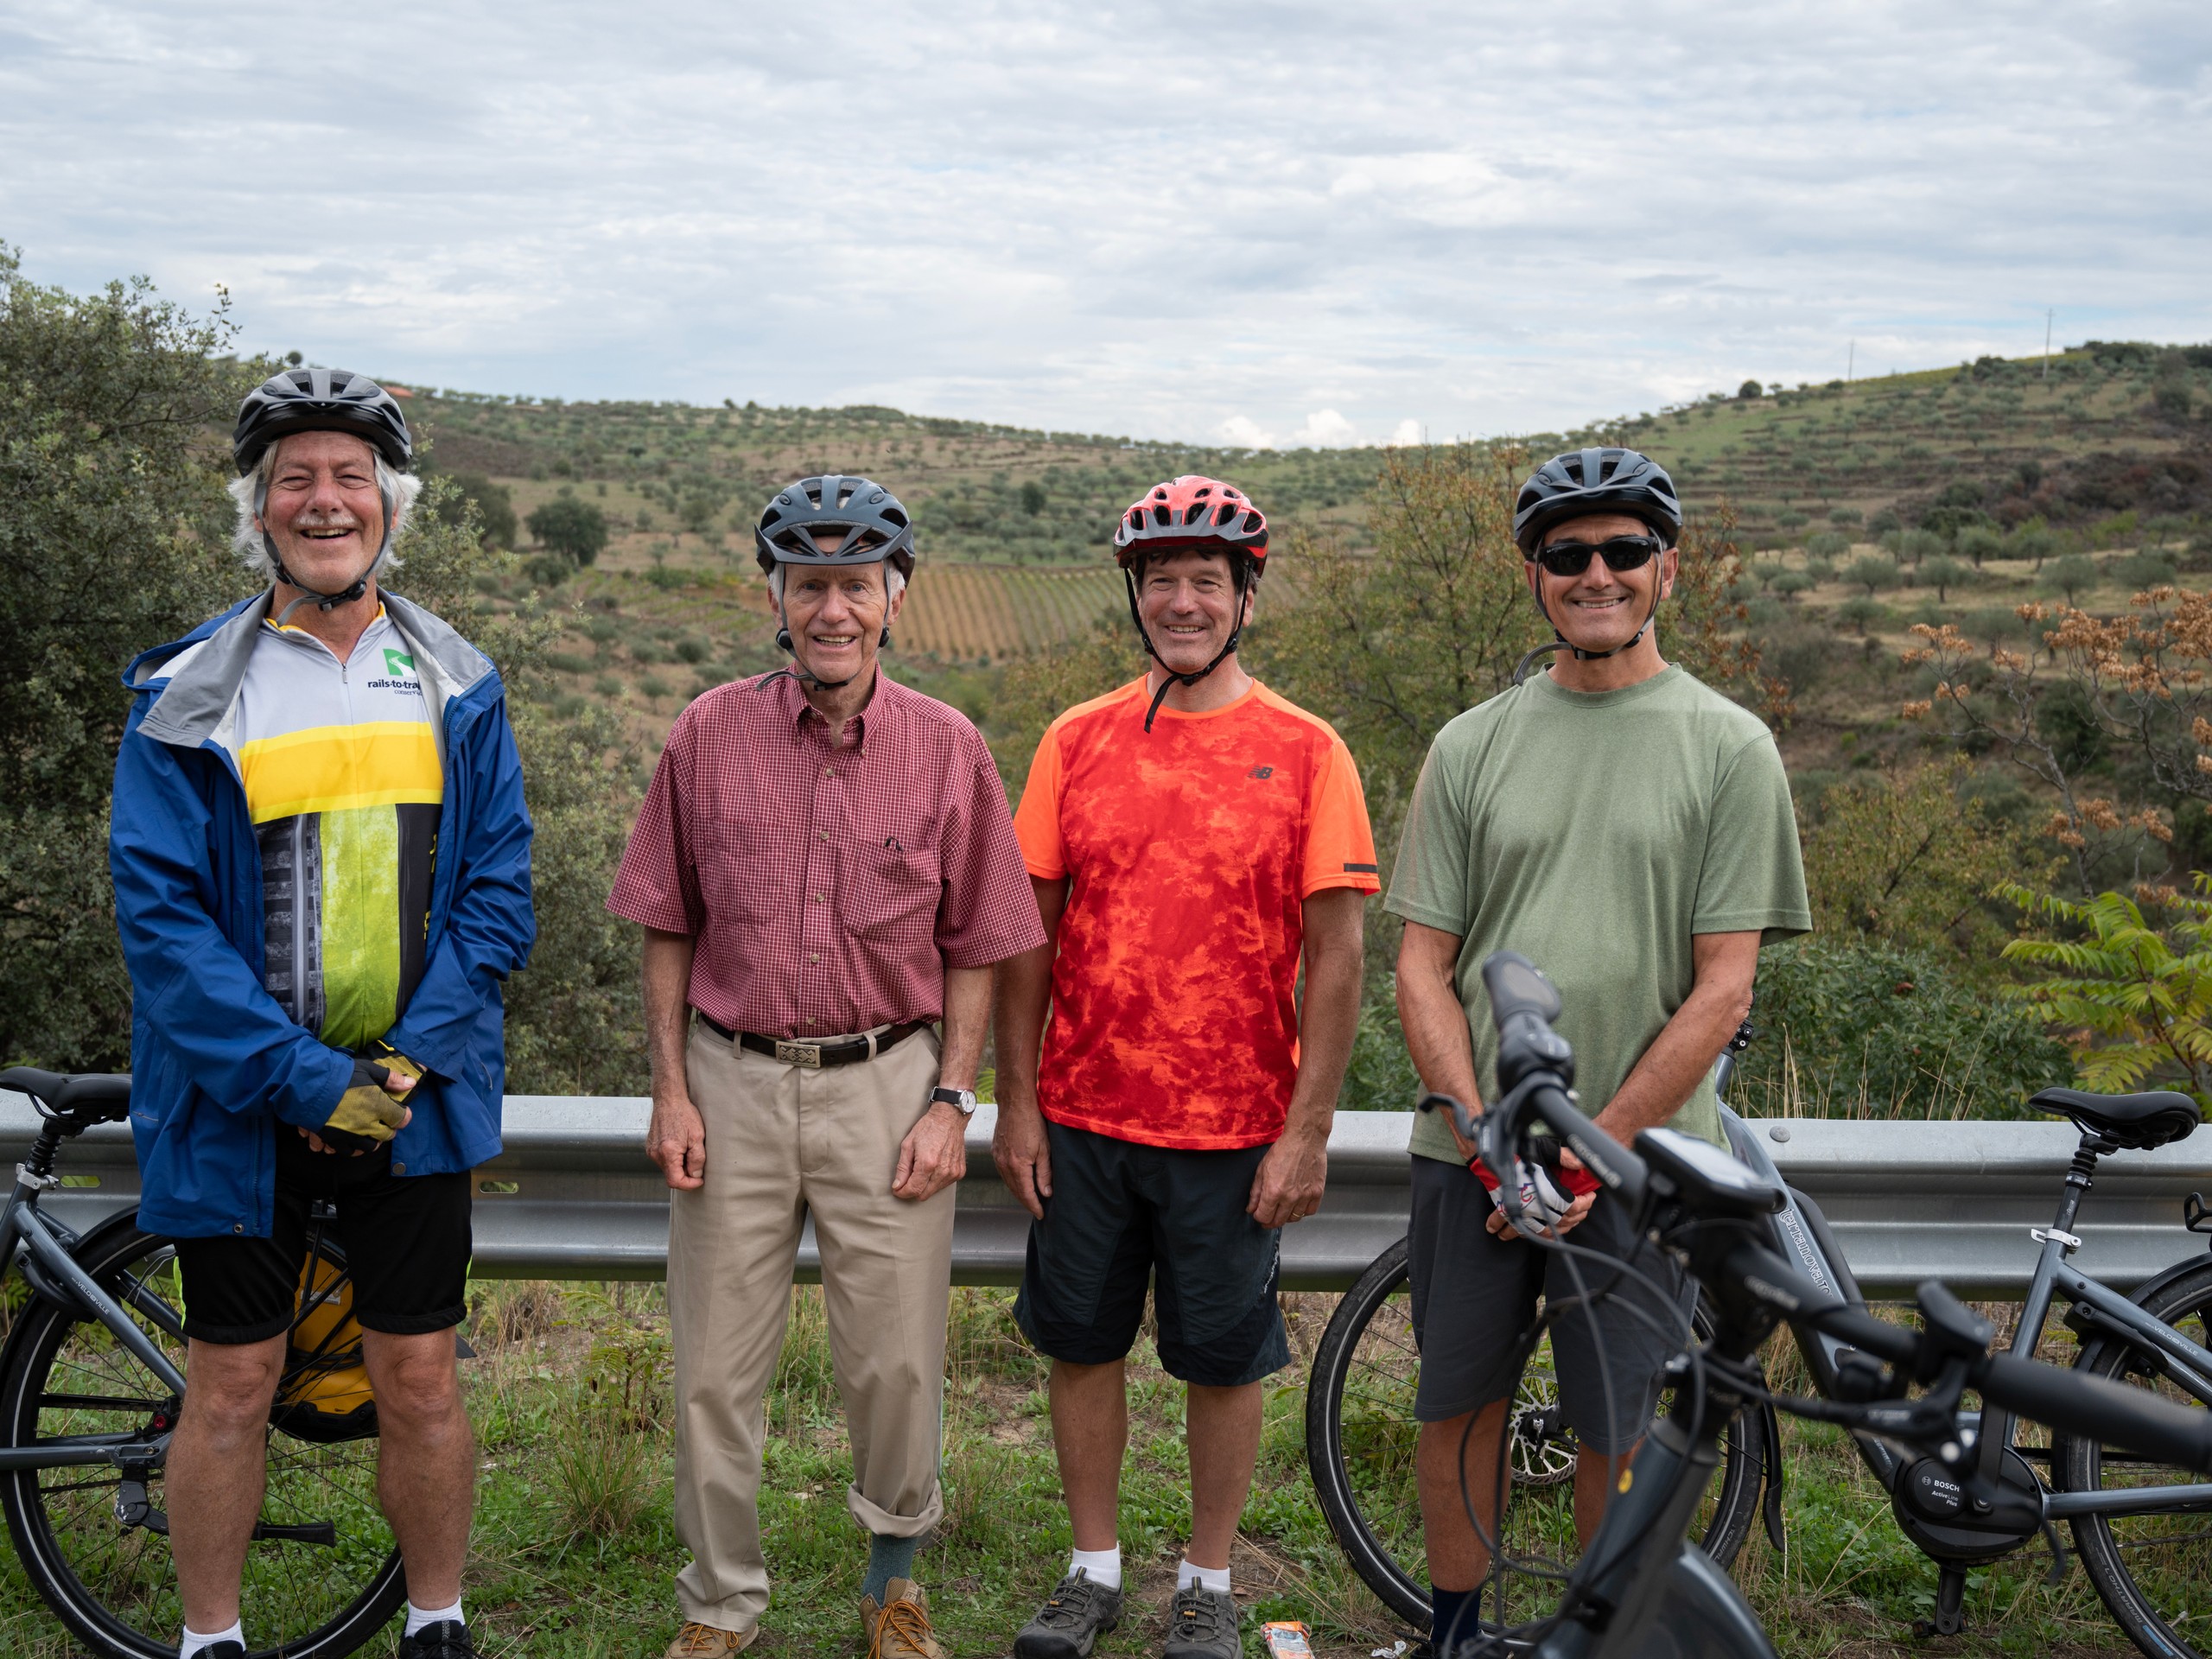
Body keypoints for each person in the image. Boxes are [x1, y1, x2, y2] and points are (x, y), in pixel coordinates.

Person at [110, 368, 536, 1659]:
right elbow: (163, 922)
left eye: (351, 475)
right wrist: (306, 1082)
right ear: (259, 509)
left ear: (390, 506)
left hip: (416, 1098)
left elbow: (497, 895)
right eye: (294, 476)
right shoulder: (190, 692)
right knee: (232, 1382)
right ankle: (210, 1639)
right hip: (236, 1107)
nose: (324, 498)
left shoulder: (455, 681)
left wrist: (401, 1069)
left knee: (418, 1376)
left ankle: (438, 1620)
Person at [607, 475, 1045, 1659]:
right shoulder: (706, 733)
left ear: (893, 600)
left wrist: (954, 1100)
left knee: (897, 1363)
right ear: (777, 598)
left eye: (856, 585)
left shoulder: (950, 750)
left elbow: (978, 947)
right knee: (713, 1371)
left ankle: (892, 1588)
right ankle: (718, 1606)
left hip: (888, 1083)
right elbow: (667, 922)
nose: (833, 609)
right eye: (811, 586)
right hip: (729, 1077)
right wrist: (670, 1086)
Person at [1384, 447, 1810, 1652]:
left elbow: (1724, 989)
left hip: (1641, 1167)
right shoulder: (1471, 745)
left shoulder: (1730, 749)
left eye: (1625, 551)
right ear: (1536, 576)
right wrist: (1484, 1141)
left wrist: (1587, 1154)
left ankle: (1601, 1640)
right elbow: (1423, 964)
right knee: (1457, 1406)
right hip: (1468, 1150)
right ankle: (1457, 1636)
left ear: (1667, 567)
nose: (1598, 575)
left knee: (1618, 1427)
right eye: (1568, 556)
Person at [995, 477, 1376, 1659]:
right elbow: (1028, 943)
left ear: (1245, 595)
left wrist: (1306, 1130)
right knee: (1081, 1346)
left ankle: (1207, 1585)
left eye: (1207, 580)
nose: (1182, 600)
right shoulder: (1077, 740)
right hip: (1086, 1117)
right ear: (1135, 595)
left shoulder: (1309, 752)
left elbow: (1339, 955)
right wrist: (1017, 1106)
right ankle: (1091, 1571)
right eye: (1161, 579)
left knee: (1223, 1361)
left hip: (1234, 1130)